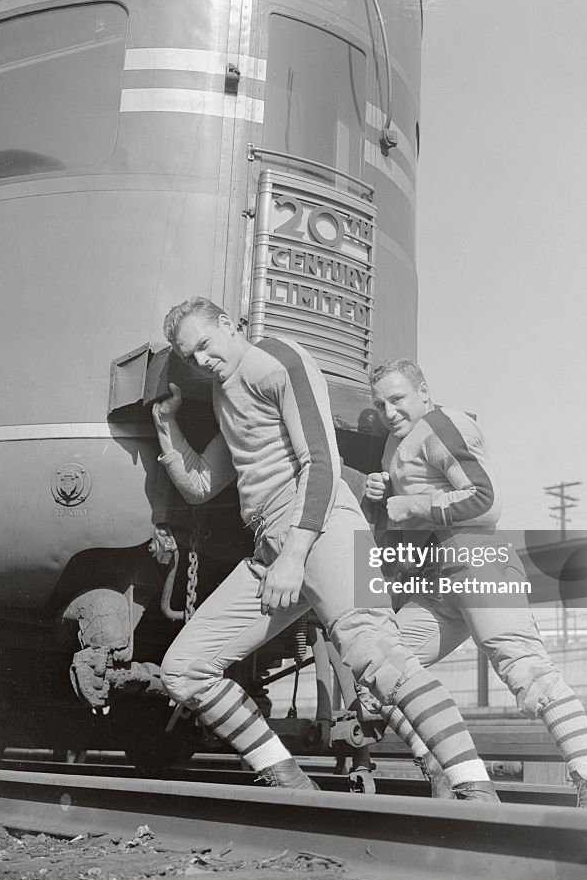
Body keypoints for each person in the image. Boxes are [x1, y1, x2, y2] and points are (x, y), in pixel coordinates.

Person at [151, 297, 499, 800]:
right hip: (272, 546)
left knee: (377, 656)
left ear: (228, 325)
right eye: (190, 358)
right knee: (184, 670)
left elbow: (321, 461)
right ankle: (296, 789)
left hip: (320, 526)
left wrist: (294, 555)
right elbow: (201, 484)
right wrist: (167, 424)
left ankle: (474, 789)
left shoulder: (278, 359)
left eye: (205, 345)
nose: (201, 362)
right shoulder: (227, 396)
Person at [363, 358, 587, 811]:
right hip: (434, 578)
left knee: (527, 672)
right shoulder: (394, 446)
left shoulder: (444, 423)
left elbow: (486, 501)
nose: (389, 411)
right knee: (378, 671)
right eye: (380, 403)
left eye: (398, 399)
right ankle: (455, 777)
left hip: (476, 559)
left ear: (424, 393)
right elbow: (398, 525)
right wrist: (379, 505)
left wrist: (411, 505)